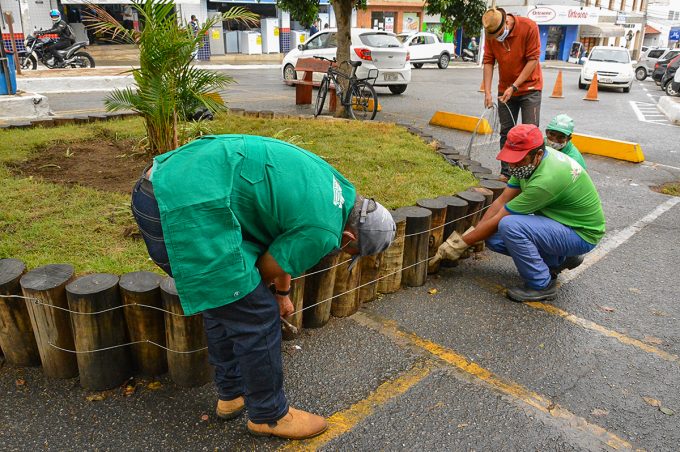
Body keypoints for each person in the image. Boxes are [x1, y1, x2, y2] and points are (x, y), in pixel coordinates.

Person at [130, 135, 396, 439]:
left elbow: (279, 248)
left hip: (164, 183)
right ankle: (269, 416)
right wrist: (270, 302)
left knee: (225, 300)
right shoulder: (325, 231)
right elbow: (265, 269)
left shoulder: (338, 187)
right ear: (349, 238)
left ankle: (231, 395)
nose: (340, 253)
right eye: (349, 253)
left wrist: (283, 294)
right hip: (181, 208)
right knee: (254, 313)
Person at [430, 124, 605, 302]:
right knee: (493, 236)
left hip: (581, 233)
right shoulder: (528, 164)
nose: (512, 165)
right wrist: (475, 232)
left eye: (518, 160)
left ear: (537, 155)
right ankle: (557, 261)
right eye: (510, 159)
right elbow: (502, 201)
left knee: (509, 226)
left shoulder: (546, 180)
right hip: (559, 224)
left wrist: (459, 244)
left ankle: (541, 284)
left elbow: (502, 217)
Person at [481, 7, 543, 182]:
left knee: (530, 133)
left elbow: (533, 59)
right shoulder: (491, 32)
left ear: (506, 22)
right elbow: (488, 61)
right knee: (507, 132)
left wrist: (514, 87)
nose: (496, 39)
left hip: (530, 88)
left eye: (499, 34)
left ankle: (531, 175)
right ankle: (507, 173)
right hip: (505, 89)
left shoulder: (529, 27)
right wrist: (487, 92)